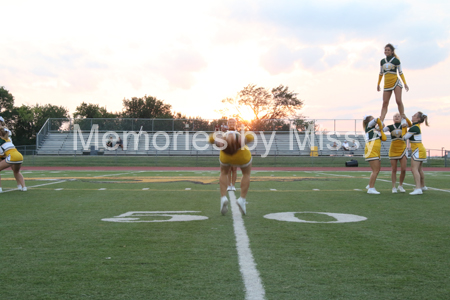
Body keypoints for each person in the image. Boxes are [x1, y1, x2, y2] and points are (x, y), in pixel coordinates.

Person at [209, 118, 254, 216]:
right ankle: (242, 199)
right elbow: (251, 137)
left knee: (223, 173)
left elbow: (211, 138)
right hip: (242, 154)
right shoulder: (239, 133)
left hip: (226, 156)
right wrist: (241, 140)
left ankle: (223, 197)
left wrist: (218, 141)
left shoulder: (222, 135)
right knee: (246, 174)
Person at [377, 43, 409, 122]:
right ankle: (381, 120)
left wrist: (405, 83)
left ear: (392, 51)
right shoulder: (382, 61)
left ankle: (402, 117)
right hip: (387, 83)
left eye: (388, 50)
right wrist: (378, 84)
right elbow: (381, 73)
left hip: (395, 82)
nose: (386, 51)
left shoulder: (396, 60)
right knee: (385, 103)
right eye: (385, 50)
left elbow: (400, 72)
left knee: (398, 100)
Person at [383, 113, 410, 193]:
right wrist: (380, 127)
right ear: (393, 118)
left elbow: (411, 125)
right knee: (394, 169)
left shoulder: (404, 125)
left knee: (403, 169)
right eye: (395, 116)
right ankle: (393, 187)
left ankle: (400, 185)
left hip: (402, 148)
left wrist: (406, 120)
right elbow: (383, 130)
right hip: (393, 149)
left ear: (401, 118)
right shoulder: (390, 126)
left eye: (399, 116)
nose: (397, 117)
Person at [403, 112, 429, 195]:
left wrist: (403, 128)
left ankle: (418, 188)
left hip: (417, 150)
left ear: (418, 119)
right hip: (420, 149)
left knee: (414, 169)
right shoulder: (415, 127)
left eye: (414, 116)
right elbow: (410, 126)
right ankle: (422, 186)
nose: (412, 116)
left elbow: (404, 137)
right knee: (419, 169)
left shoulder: (414, 128)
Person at [363, 115, 386, 194]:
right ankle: (371, 188)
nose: (373, 120)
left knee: (377, 170)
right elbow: (378, 119)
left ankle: (370, 185)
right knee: (375, 170)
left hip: (376, 151)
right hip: (371, 150)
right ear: (369, 121)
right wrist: (380, 123)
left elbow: (384, 138)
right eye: (371, 119)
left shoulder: (375, 130)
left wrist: (381, 129)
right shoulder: (369, 126)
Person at [0, 125, 26, 192]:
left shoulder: (0, 141)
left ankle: (0, 189)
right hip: (20, 156)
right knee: (16, 171)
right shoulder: (8, 139)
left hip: (12, 157)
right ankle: (23, 187)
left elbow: (1, 154)